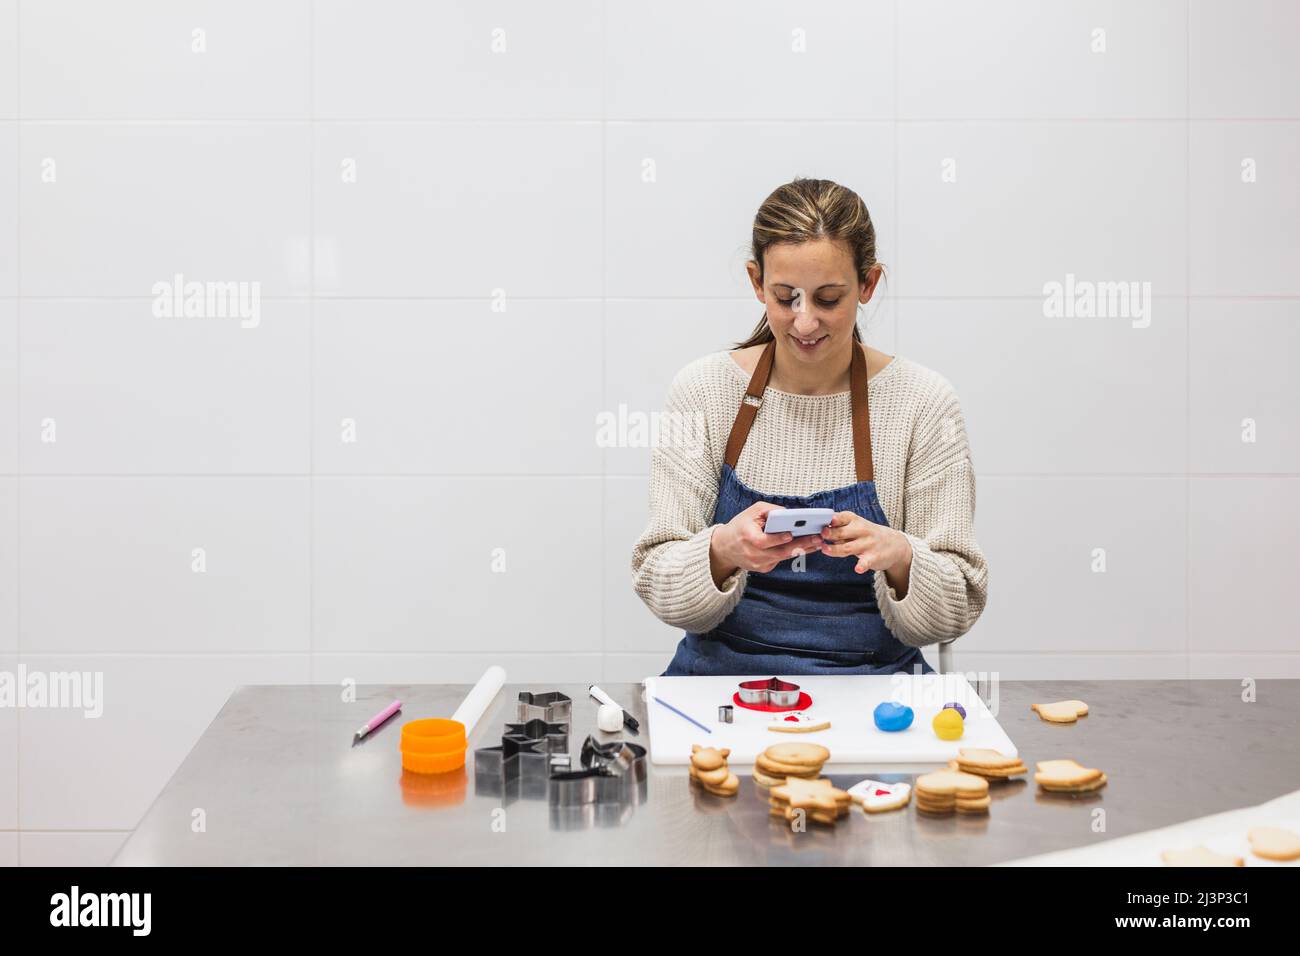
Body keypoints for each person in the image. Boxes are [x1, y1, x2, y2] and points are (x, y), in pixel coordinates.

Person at [631, 177, 988, 676]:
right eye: (785, 297)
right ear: (756, 282)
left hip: (877, 687)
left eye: (827, 298)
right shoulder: (703, 391)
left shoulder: (923, 403)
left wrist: (902, 556)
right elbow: (657, 580)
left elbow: (959, 602)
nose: (804, 322)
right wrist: (721, 551)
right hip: (718, 686)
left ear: (868, 284)